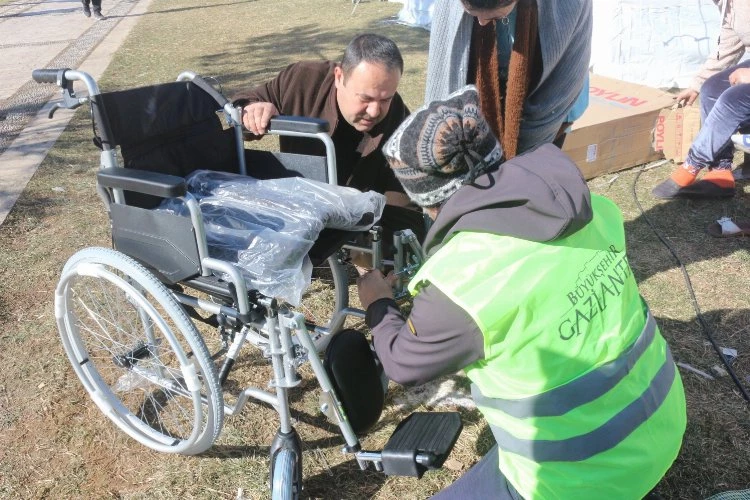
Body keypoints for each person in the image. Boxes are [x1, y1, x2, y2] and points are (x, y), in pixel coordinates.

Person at [358, 86, 687, 499]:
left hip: (578, 480)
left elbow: (403, 363)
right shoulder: (591, 209)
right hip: (663, 421)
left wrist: (377, 304)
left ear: (428, 202)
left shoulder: (461, 286)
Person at [424, 0, 592, 159]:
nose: (481, 22)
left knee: (534, 171)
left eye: (495, 17)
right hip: (483, 90)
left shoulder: (569, 6)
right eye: (472, 14)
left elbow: (562, 83)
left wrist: (525, 154)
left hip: (549, 95)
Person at [651, 0, 750, 199]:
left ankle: (692, 164)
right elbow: (728, 47)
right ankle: (720, 173)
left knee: (733, 100)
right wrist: (697, 84)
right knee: (712, 89)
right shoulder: (729, 4)